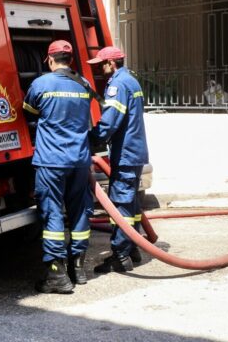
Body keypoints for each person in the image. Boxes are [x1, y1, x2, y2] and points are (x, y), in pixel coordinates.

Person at [23, 40, 94, 293]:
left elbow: (28, 112)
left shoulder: (40, 84)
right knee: (79, 211)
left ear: (50, 60)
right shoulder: (83, 84)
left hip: (51, 161)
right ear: (71, 60)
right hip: (80, 161)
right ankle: (79, 269)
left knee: (52, 213)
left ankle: (57, 276)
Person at [88, 46, 149, 273]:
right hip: (135, 151)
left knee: (120, 204)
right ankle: (132, 248)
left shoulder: (117, 85)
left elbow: (110, 121)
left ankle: (121, 256)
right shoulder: (131, 80)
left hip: (125, 153)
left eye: (101, 65)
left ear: (111, 64)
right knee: (131, 204)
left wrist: (93, 138)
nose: (99, 69)